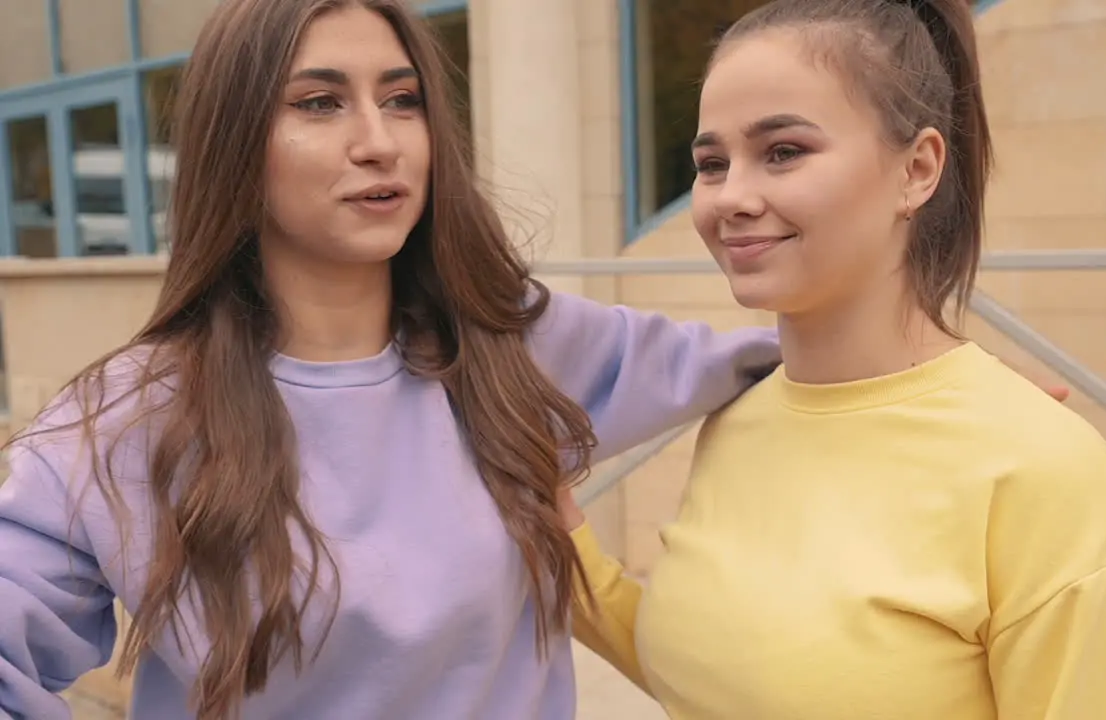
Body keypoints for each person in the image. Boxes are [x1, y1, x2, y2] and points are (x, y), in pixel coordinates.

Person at [0, 2, 783, 719]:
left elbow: (791, 364)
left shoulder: (513, 345)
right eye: (319, 102)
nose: (380, 142)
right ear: (232, 139)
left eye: (403, 100)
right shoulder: (132, 414)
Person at [561, 1, 1106, 718]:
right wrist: (545, 518)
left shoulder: (1043, 471)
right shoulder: (738, 418)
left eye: (783, 151)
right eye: (711, 163)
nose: (732, 197)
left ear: (917, 169)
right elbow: (714, 677)